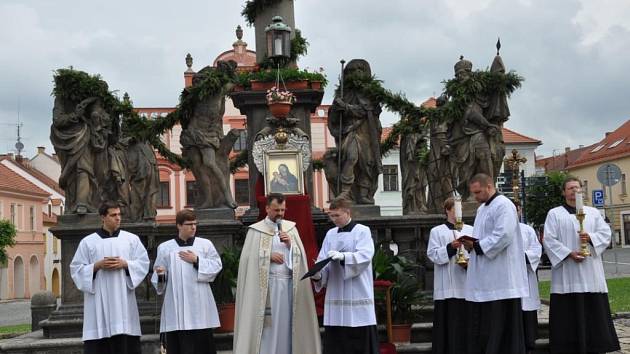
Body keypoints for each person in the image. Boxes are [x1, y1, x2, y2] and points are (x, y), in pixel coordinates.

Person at [233, 193, 320, 354]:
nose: (280, 213)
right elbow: (246, 259)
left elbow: (300, 258)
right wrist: (267, 256)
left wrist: (290, 246)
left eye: (282, 210)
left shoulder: (291, 229)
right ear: (267, 208)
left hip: (288, 286)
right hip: (267, 289)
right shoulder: (256, 230)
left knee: (286, 324)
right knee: (268, 327)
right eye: (276, 210)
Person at [542, 177, 620, 353]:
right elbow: (549, 239)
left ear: (581, 191)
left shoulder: (593, 213)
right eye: (570, 188)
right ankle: (567, 346)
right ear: (564, 192)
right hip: (566, 273)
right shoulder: (555, 214)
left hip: (590, 271)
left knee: (593, 310)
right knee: (567, 312)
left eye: (577, 188)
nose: (574, 191)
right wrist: (568, 253)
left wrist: (591, 238)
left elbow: (605, 234)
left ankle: (596, 344)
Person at [70, 201, 150, 354]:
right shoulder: (88, 242)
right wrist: (97, 265)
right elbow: (76, 270)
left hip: (123, 302)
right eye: (113, 215)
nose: (118, 218)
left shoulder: (131, 240)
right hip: (98, 303)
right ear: (103, 217)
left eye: (119, 215)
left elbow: (143, 263)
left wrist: (125, 264)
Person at [461, 173, 528, 354]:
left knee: (502, 325)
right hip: (487, 276)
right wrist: (471, 244)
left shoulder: (504, 205)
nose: (475, 197)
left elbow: (503, 235)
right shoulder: (482, 209)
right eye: (473, 193)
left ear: (489, 187)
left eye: (478, 192)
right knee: (488, 324)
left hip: (502, 277)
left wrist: (477, 245)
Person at [151, 209, 222, 354]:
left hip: (200, 307)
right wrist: (161, 275)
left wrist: (197, 260)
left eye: (195, 224)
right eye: (189, 224)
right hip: (176, 308)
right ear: (178, 225)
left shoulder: (205, 244)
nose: (193, 227)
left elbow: (217, 266)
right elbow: (158, 279)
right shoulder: (165, 248)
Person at [313, 199, 378, 354]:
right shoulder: (330, 234)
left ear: (347, 213)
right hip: (335, 291)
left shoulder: (362, 231)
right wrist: (317, 274)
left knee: (358, 337)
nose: (333, 219)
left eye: (337, 215)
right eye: (331, 216)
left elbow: (365, 255)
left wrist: (343, 257)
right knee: (337, 341)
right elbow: (323, 260)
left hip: (357, 290)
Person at [427, 197, 473, 354]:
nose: (459, 212)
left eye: (461, 209)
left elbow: (478, 255)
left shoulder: (470, 230)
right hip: (446, 285)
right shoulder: (437, 231)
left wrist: (468, 263)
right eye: (455, 209)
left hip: (465, 284)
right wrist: (450, 248)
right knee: (447, 323)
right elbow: (432, 254)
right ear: (447, 210)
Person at [515, 201, 542, 352]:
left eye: (516, 209)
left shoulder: (527, 230)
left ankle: (529, 343)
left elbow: (536, 249)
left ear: (520, 211)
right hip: (507, 280)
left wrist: (521, 256)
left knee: (526, 311)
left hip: (525, 277)